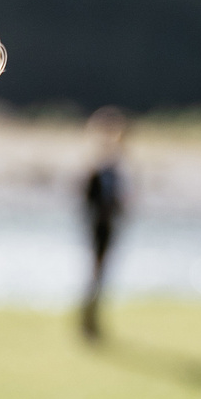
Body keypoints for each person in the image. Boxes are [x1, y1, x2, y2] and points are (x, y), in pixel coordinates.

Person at [79, 105, 128, 339]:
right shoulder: (100, 171)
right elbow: (91, 201)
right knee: (97, 274)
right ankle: (89, 323)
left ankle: (91, 321)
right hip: (100, 226)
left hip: (105, 226)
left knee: (99, 274)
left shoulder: (110, 170)